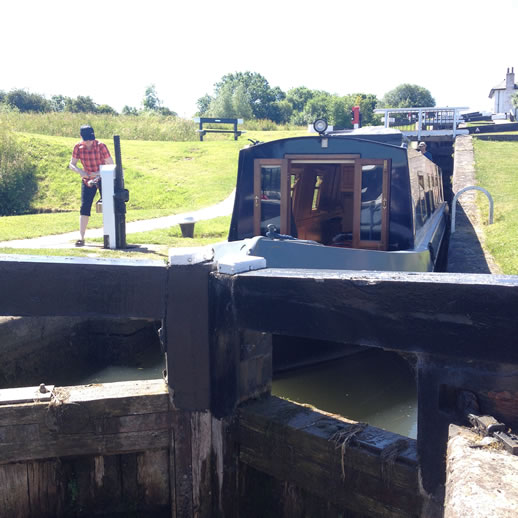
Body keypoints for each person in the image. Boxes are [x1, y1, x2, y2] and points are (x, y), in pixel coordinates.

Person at [68, 125, 113, 246]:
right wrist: (80, 172)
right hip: (87, 179)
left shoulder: (101, 146)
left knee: (108, 207)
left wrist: (97, 173)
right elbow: (71, 164)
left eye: (90, 139)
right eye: (86, 139)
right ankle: (81, 237)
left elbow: (111, 164)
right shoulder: (78, 147)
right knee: (84, 207)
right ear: (81, 137)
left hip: (104, 178)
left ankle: (109, 236)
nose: (88, 142)